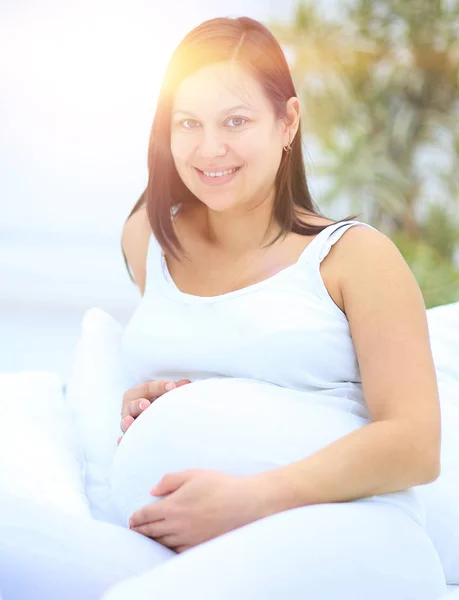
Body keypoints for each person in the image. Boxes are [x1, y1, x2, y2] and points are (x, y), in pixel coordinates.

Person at [0, 15, 448, 600]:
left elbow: (415, 443)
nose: (209, 149)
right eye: (188, 123)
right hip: (173, 542)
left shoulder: (355, 258)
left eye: (236, 121)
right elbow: (219, 363)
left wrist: (248, 499)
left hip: (350, 533)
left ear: (288, 122)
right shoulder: (148, 240)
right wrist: (146, 399)